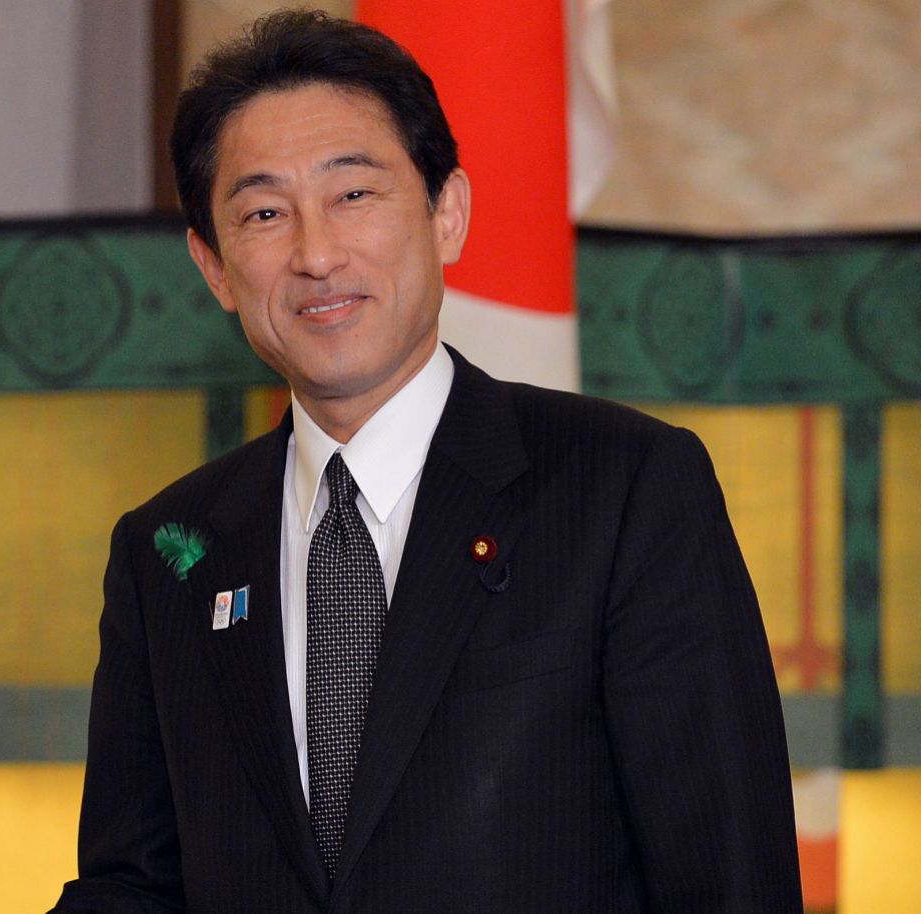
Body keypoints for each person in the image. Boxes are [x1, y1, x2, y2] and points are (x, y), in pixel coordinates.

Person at [52, 11, 798, 913]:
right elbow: (135, 888)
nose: (316, 253)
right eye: (262, 213)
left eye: (354, 195)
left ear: (448, 213)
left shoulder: (627, 490)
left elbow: (729, 881)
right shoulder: (168, 552)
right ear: (213, 268)